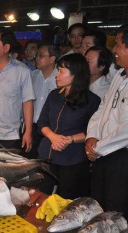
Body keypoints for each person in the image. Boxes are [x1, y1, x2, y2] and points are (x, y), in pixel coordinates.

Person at [37, 53, 101, 199]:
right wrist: (53, 137)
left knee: (67, 200)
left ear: (76, 74)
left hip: (73, 158)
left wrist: (69, 139)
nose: (57, 75)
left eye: (61, 71)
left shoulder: (92, 100)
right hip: (47, 154)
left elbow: (94, 130)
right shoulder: (54, 95)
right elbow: (42, 122)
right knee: (42, 196)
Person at [85, 24, 128, 219]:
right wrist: (92, 136)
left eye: (118, 45)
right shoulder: (120, 75)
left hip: (121, 157)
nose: (114, 51)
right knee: (98, 202)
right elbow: (103, 107)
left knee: (115, 209)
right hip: (103, 152)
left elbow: (126, 130)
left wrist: (97, 147)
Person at [28, 43, 60, 159]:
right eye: (37, 55)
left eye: (41, 56)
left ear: (52, 59)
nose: (37, 58)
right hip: (30, 127)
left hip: (51, 130)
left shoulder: (60, 78)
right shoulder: (32, 76)